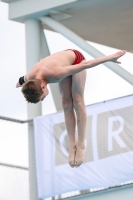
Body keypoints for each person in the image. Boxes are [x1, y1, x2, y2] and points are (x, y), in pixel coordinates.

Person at [16, 49, 126, 168]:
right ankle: (72, 146)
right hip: (61, 64)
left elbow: (87, 64)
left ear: (43, 87)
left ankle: (81, 145)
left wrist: (110, 58)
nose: (43, 99)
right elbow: (23, 78)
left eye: (42, 97)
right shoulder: (31, 78)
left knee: (77, 99)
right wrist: (19, 82)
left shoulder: (55, 73)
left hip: (76, 60)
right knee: (66, 103)